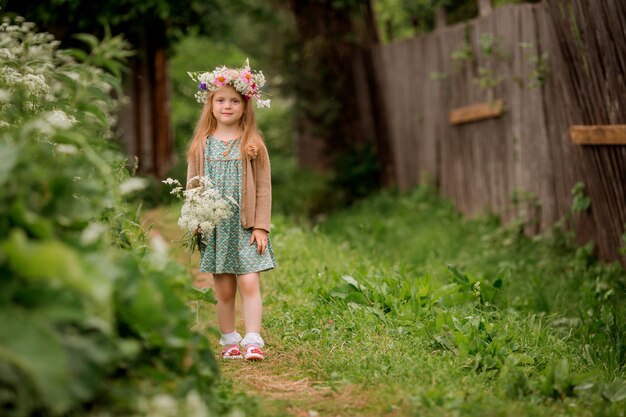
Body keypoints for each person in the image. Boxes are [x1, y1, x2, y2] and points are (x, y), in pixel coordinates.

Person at [185, 60, 275, 361]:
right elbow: (193, 186)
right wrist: (196, 220)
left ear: (245, 106)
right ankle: (229, 340)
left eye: (234, 100)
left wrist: (261, 225)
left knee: (249, 281)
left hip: (245, 226)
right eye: (220, 100)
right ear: (210, 105)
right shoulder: (201, 145)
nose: (227, 106)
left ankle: (252, 339)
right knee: (223, 289)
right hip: (216, 227)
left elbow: (264, 188)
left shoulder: (253, 144)